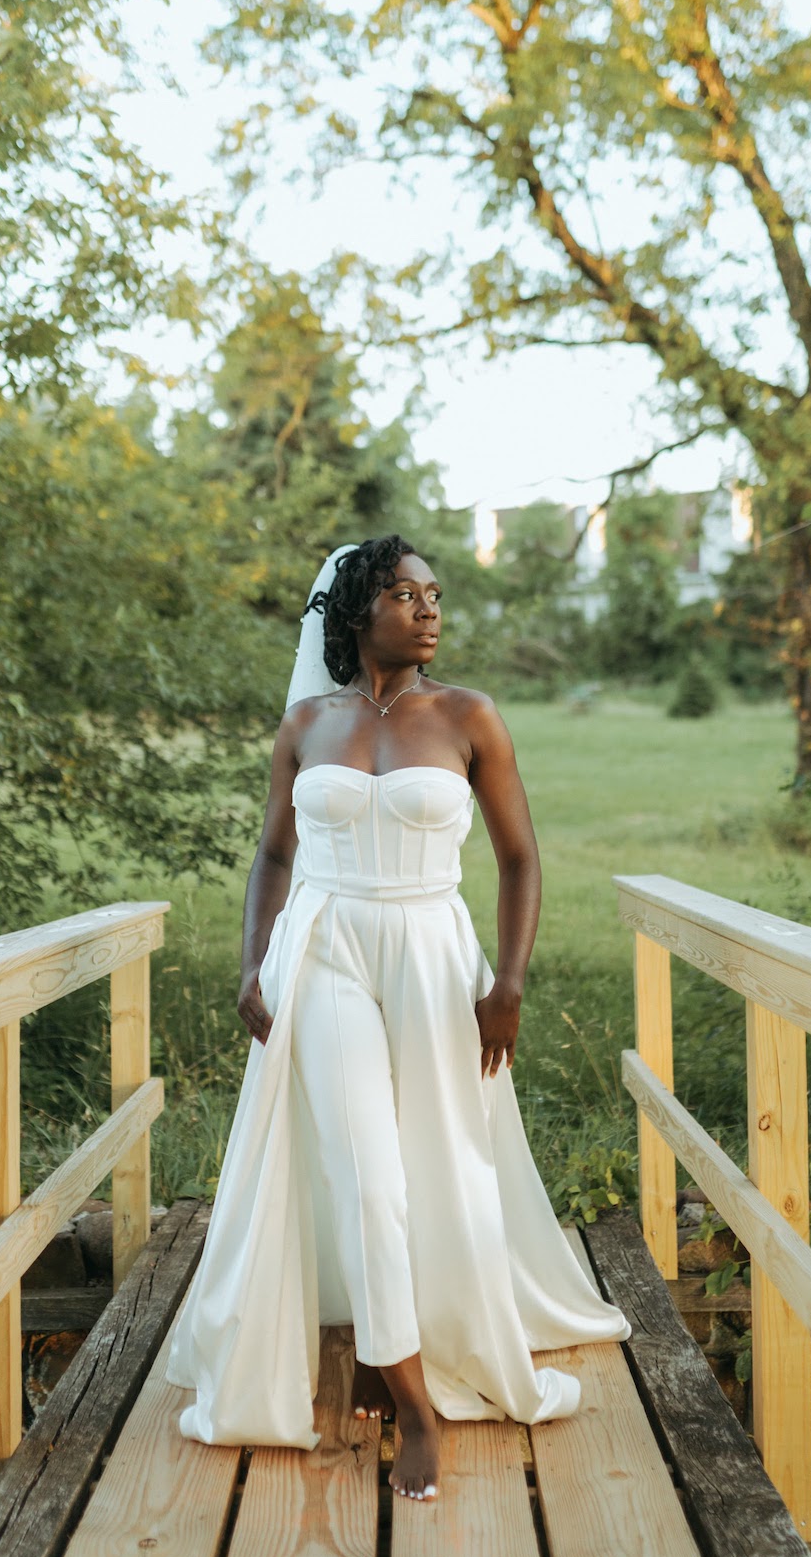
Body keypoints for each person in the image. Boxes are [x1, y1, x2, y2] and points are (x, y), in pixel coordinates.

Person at [165, 535, 631, 1502]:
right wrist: (253, 958)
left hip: (432, 953)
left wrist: (507, 986)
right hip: (325, 947)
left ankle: (403, 1343)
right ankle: (415, 1403)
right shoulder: (307, 724)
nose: (429, 609)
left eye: (435, 595)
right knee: (365, 1173)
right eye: (404, 593)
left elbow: (519, 860)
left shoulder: (468, 716)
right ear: (353, 612)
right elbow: (274, 856)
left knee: (441, 1164)